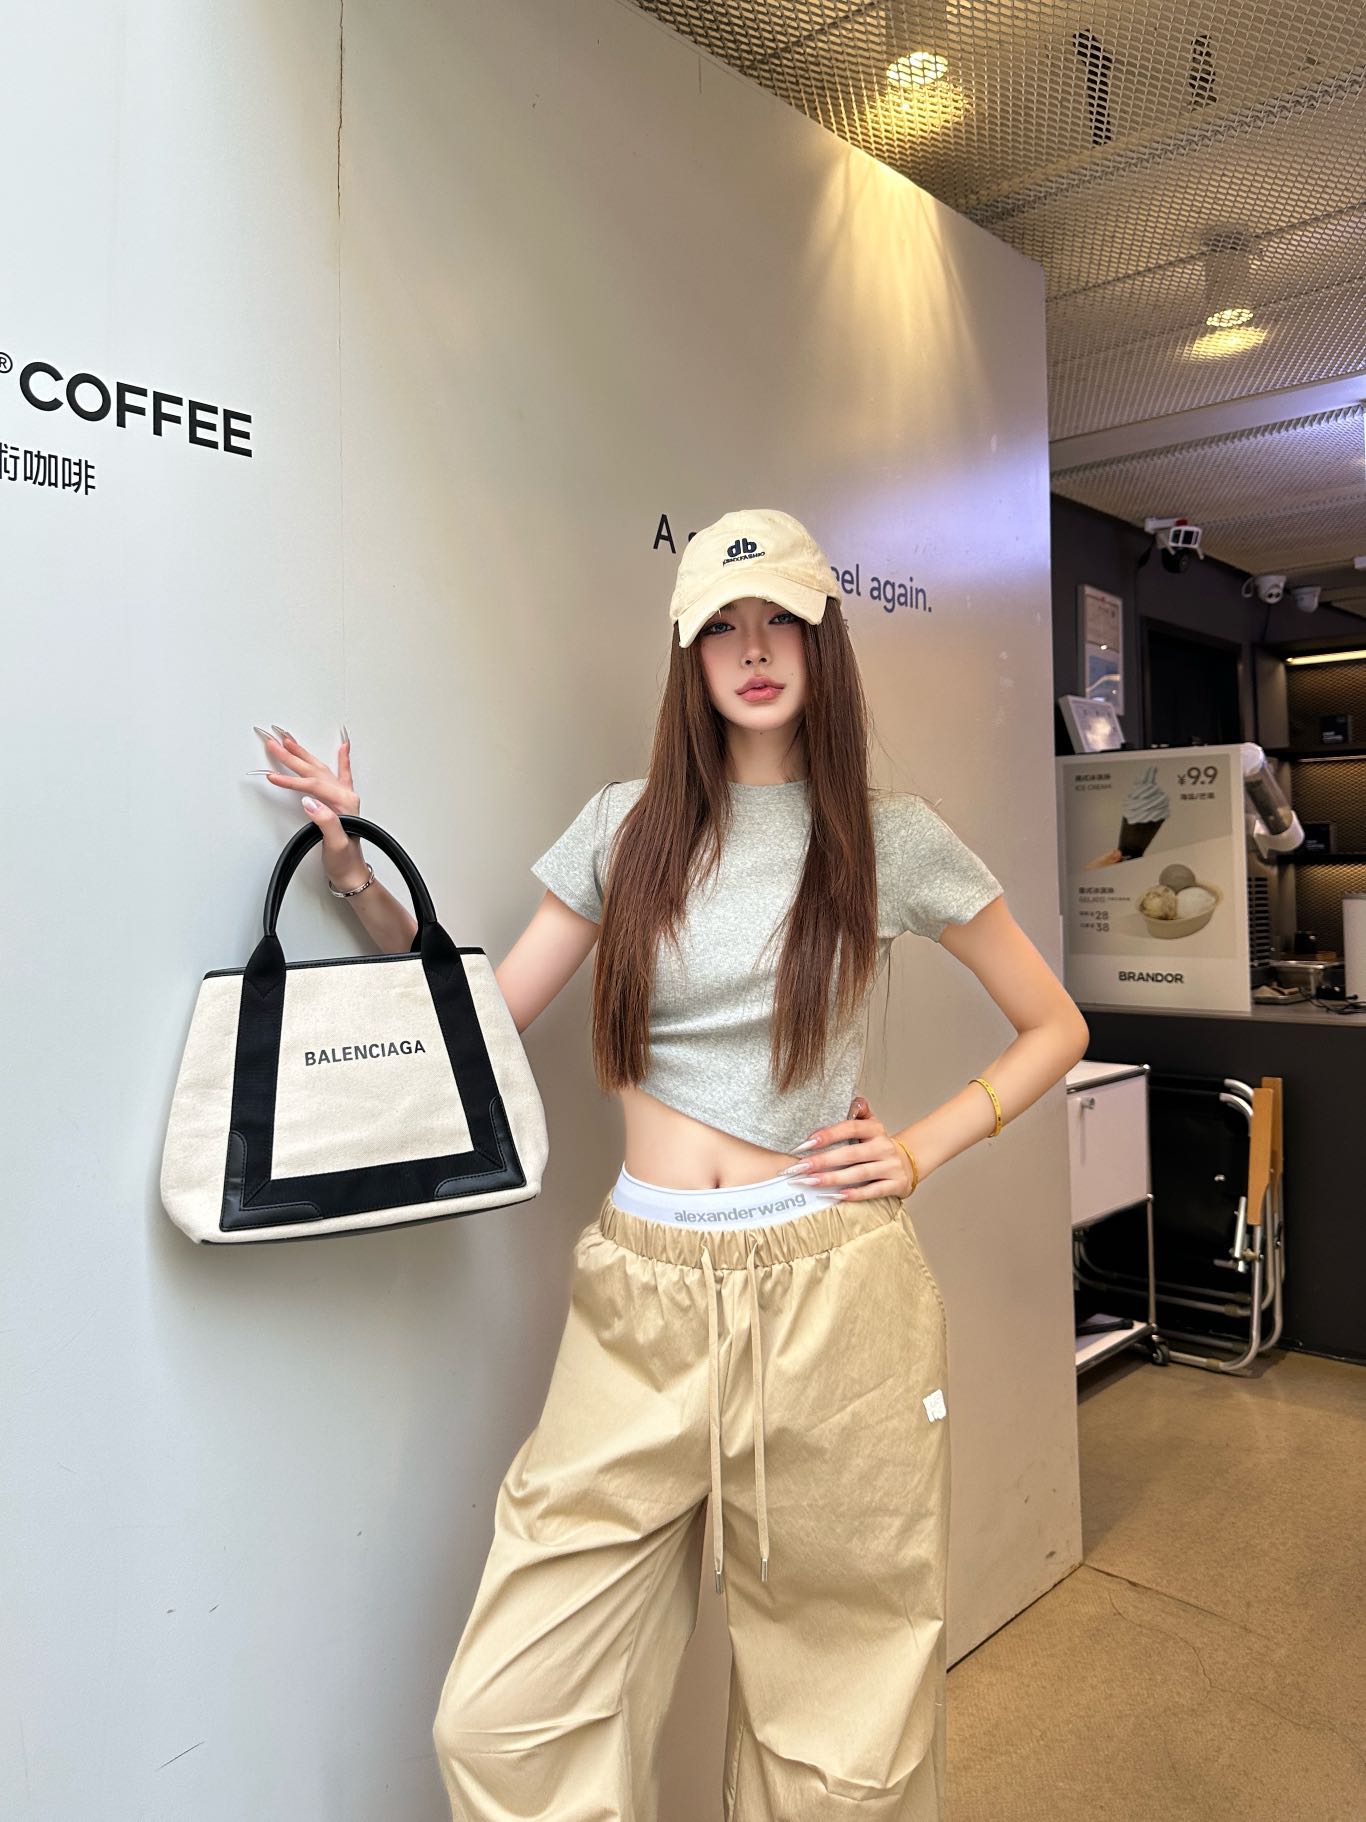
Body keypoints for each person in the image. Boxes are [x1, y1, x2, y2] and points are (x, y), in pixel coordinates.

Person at [251, 507, 1089, 1820]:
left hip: (831, 1294)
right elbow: (484, 1022)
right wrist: (355, 867)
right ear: (689, 654)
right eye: (721, 627)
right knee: (507, 1716)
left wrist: (921, 1147)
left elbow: (1055, 1026)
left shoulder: (890, 835)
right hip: (642, 1295)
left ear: (821, 639)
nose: (752, 650)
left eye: (779, 621)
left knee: (844, 1749)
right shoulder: (623, 827)